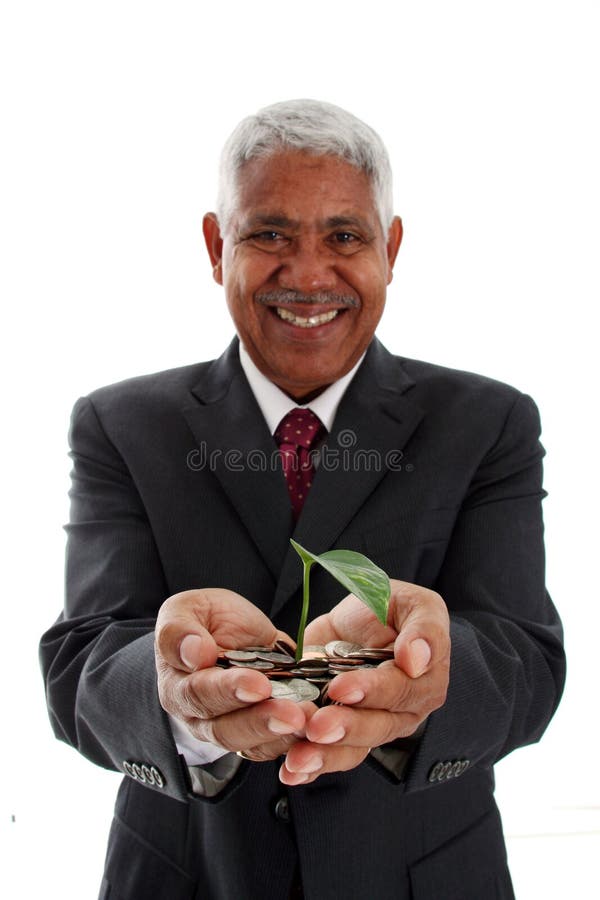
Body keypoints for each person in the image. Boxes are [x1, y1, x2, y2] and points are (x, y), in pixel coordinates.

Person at [40, 99, 565, 900]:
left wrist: (430, 674)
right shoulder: (121, 425)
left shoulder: (488, 423)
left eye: (345, 237)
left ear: (390, 250)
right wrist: (177, 693)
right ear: (218, 247)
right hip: (188, 876)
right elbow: (79, 664)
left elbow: (527, 660)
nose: (310, 274)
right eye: (270, 234)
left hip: (423, 876)